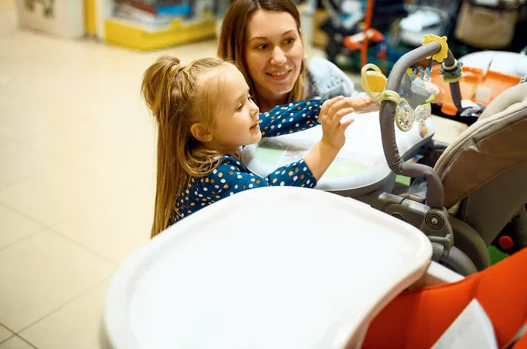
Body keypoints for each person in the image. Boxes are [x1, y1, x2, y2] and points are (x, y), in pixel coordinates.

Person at [142, 55, 371, 237]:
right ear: (203, 132)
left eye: (249, 97)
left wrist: (331, 107)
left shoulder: (219, 138)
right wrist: (328, 146)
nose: (253, 109)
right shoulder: (210, 172)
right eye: (239, 106)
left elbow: (274, 118)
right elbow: (272, 193)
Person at [218, 0, 357, 113]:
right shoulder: (217, 103)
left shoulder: (329, 83)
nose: (279, 59)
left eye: (288, 41)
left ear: (301, 38)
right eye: (262, 46)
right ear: (237, 52)